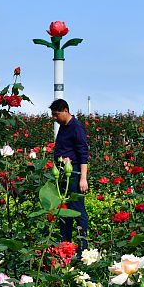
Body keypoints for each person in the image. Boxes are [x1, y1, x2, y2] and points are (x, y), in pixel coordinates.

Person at [50, 98, 89, 251]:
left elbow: (83, 153)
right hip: (63, 174)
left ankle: (82, 248)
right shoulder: (64, 126)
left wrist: (83, 178)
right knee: (64, 211)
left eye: (56, 114)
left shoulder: (76, 127)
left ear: (65, 110)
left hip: (74, 174)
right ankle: (66, 247)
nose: (55, 118)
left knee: (77, 210)